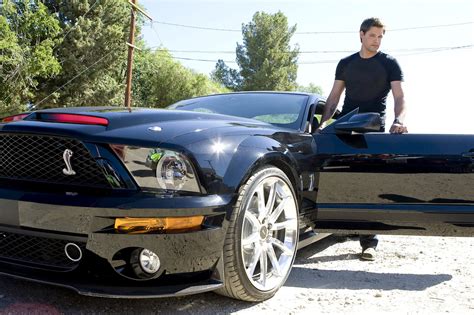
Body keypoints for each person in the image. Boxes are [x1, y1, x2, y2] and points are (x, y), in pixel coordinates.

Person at [317, 17, 408, 260]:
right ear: (361, 35)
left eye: (380, 37)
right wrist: (323, 123)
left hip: (373, 127)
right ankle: (340, 227)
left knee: (368, 183)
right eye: (372, 36)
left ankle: (369, 241)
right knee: (340, 178)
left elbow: (399, 96)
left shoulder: (389, 63)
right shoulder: (346, 64)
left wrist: (398, 120)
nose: (376, 41)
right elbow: (334, 97)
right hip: (345, 127)